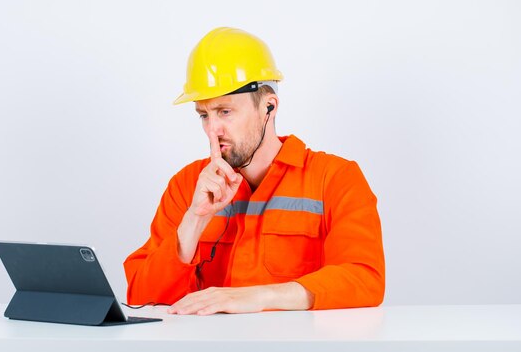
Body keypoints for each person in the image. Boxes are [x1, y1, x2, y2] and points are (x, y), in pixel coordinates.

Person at [124, 27, 385, 315]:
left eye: (225, 111)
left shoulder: (335, 179)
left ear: (268, 107)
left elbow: (365, 279)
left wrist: (256, 297)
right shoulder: (188, 186)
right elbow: (141, 296)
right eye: (203, 115)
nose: (213, 130)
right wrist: (195, 221)